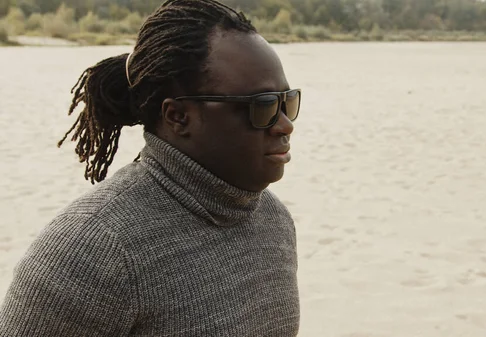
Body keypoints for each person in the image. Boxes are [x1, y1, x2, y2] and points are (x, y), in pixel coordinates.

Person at [0, 0, 301, 335]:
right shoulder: (92, 247)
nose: (285, 125)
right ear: (178, 117)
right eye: (263, 106)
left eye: (287, 101)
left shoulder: (274, 221)